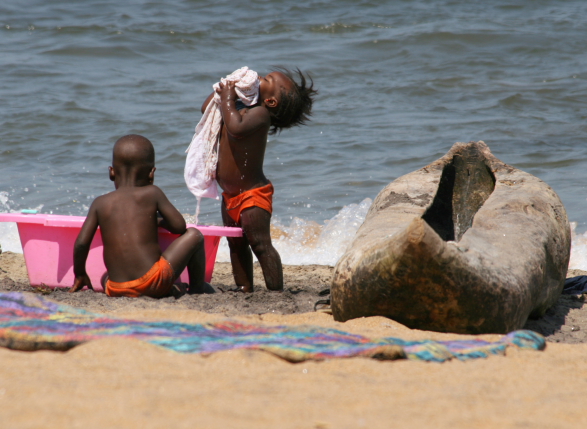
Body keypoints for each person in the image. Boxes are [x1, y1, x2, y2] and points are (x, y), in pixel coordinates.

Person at [200, 67, 316, 293]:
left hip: (253, 195)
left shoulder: (259, 116)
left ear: (271, 102)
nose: (259, 77)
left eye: (267, 79)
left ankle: (275, 290)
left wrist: (227, 100)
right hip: (231, 196)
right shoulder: (236, 108)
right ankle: (244, 286)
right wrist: (222, 89)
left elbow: (235, 127)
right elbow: (206, 109)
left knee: (260, 245)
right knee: (236, 244)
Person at [69, 134, 206, 298]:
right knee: (194, 235)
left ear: (111, 172)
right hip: (151, 283)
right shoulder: (152, 193)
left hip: (116, 288)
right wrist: (158, 221)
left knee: (105, 276)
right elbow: (179, 226)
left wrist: (80, 274)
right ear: (151, 174)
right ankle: (198, 287)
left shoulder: (100, 203)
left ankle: (122, 286)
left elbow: (81, 244)